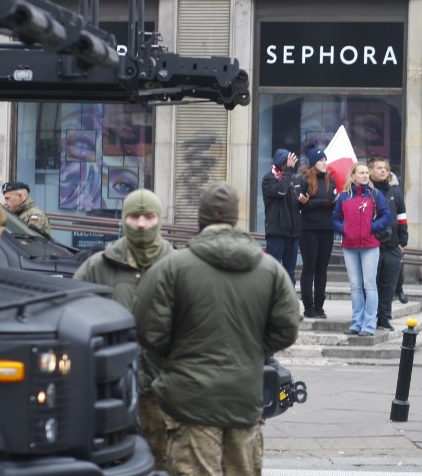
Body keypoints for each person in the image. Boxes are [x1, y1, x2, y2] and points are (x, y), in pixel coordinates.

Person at [133, 182, 299, 476]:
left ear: (201, 217)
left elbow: (149, 333)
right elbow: (286, 330)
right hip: (245, 397)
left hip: (189, 401)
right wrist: (253, 348)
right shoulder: (270, 270)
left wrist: (179, 356)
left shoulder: (171, 268)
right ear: (235, 218)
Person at [73, 189, 175, 472]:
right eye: (133, 217)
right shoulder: (98, 266)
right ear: (123, 220)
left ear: (159, 219)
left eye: (149, 217)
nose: (141, 224)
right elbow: (74, 320)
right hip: (111, 390)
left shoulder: (178, 268)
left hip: (164, 391)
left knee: (165, 462)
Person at [333, 162, 392, 337]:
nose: (366, 175)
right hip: (350, 246)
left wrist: (372, 228)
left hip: (370, 246)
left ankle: (368, 325)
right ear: (353, 176)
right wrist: (344, 229)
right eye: (362, 173)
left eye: (367, 172)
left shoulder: (375, 195)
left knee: (369, 285)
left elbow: (387, 215)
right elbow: (335, 218)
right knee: (355, 286)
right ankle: (356, 323)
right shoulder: (344, 197)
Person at [368, 157, 408, 331]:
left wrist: (403, 241)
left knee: (388, 284)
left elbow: (402, 216)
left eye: (385, 168)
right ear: (370, 171)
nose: (383, 171)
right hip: (372, 245)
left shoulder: (394, 191)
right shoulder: (366, 191)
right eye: (379, 168)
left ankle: (384, 317)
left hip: (392, 246)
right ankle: (370, 315)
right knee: (372, 283)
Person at [298, 147, 336, 319]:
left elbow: (332, 202)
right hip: (308, 230)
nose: (324, 163)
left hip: (327, 229)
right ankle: (308, 307)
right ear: (313, 163)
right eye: (321, 160)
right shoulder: (304, 179)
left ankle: (319, 307)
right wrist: (322, 203)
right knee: (309, 268)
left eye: (325, 160)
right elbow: (300, 204)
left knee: (322, 269)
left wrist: (312, 203)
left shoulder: (331, 181)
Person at [262, 148, 302, 283]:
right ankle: (271, 301)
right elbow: (281, 190)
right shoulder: (269, 178)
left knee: (289, 272)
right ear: (280, 162)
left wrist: (303, 202)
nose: (290, 165)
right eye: (287, 162)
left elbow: (295, 204)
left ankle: (288, 301)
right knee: (273, 269)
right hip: (277, 231)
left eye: (291, 162)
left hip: (292, 232)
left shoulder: (292, 179)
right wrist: (289, 171)